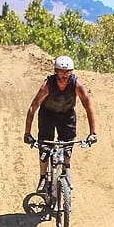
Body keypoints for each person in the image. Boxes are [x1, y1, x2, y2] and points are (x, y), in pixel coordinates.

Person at [23, 55, 97, 193]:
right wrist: (27, 133)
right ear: (56, 71)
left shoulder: (76, 85)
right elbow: (33, 107)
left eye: (68, 71)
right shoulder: (47, 86)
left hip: (67, 115)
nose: (65, 75)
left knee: (68, 145)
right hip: (48, 115)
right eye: (62, 71)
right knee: (45, 147)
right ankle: (43, 178)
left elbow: (88, 107)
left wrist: (92, 133)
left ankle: (65, 174)